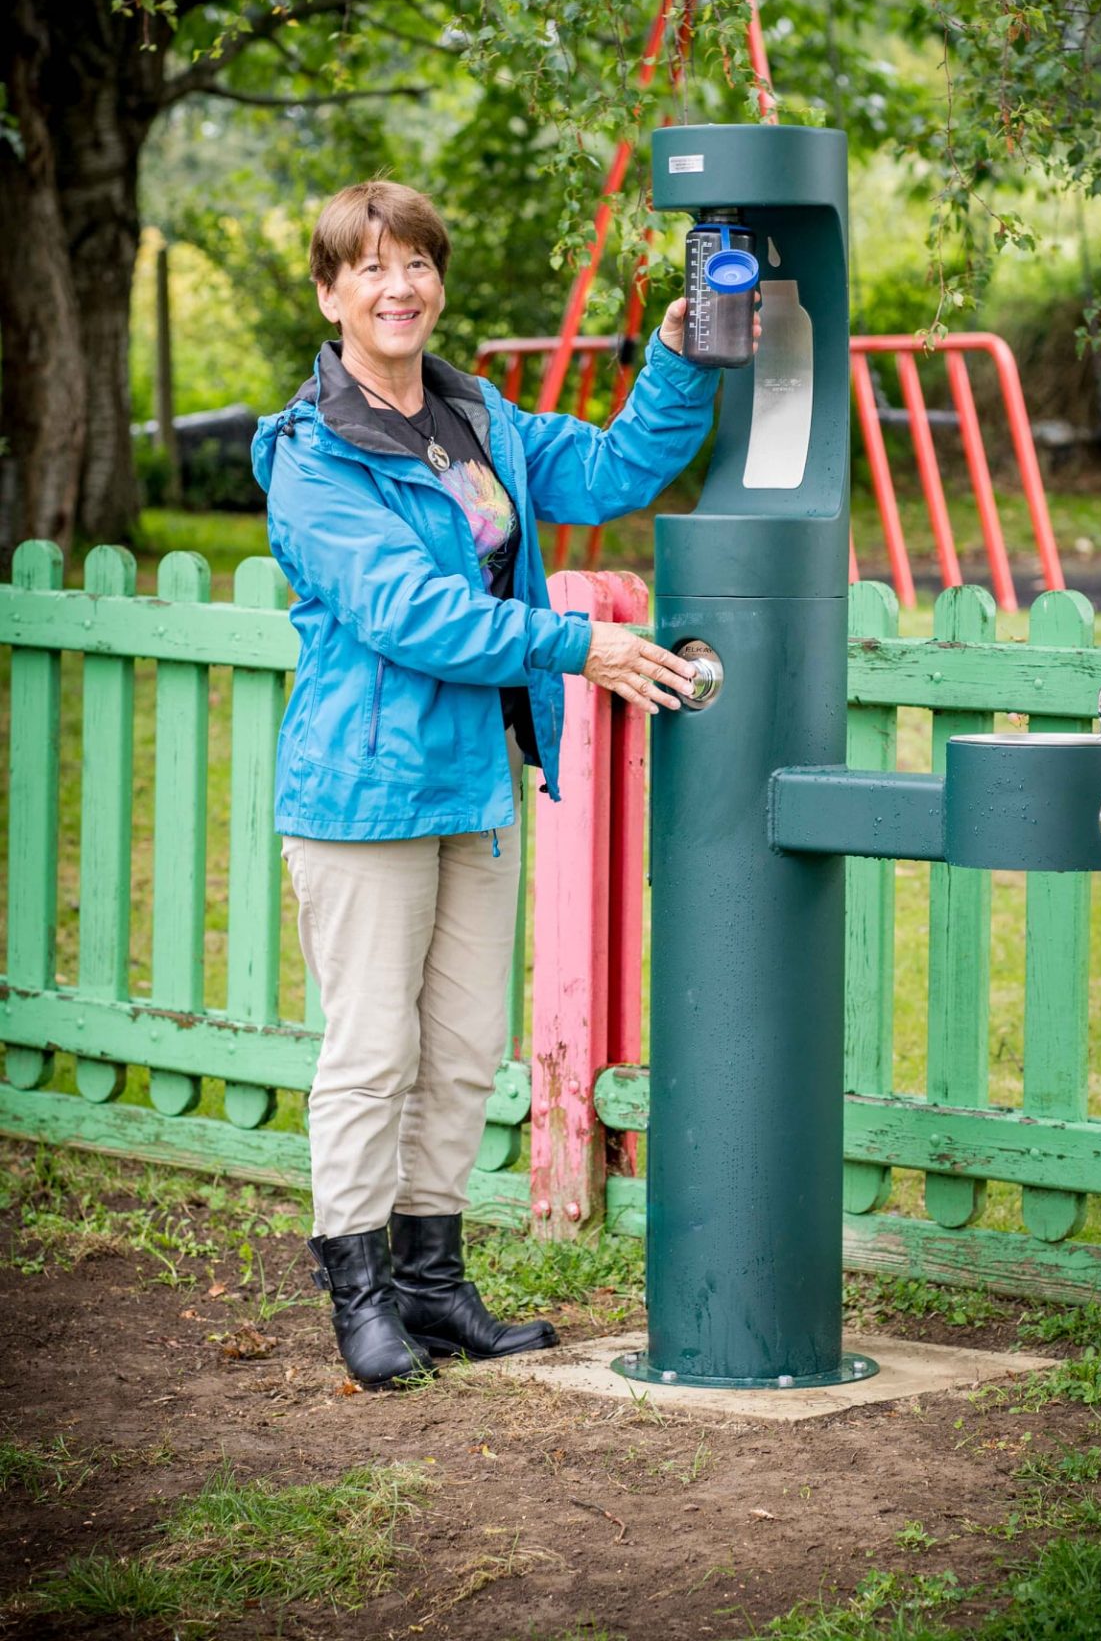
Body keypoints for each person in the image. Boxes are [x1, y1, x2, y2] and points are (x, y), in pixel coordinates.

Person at [251, 179, 743, 1390]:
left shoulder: (482, 425)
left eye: (415, 263)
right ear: (329, 293)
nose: (397, 287)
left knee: (465, 1049)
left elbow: (621, 466)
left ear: (438, 281)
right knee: (374, 1051)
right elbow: (405, 613)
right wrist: (577, 644)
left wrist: (679, 348)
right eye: (368, 268)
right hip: (363, 793)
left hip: (476, 782)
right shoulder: (310, 456)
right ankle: (359, 1294)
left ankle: (433, 1288)